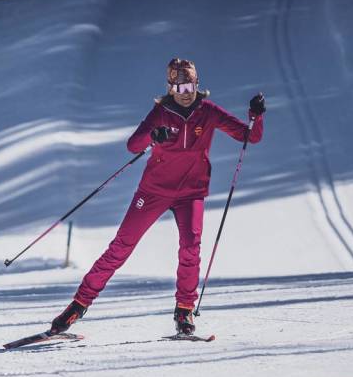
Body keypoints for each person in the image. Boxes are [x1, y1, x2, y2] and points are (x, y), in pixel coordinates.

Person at [51, 57, 265, 336]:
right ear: (170, 88)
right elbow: (133, 145)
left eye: (189, 86)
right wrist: (154, 135)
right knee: (120, 248)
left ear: (197, 85)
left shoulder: (208, 111)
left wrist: (256, 116)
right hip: (154, 191)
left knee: (191, 248)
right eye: (179, 87)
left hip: (191, 193)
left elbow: (249, 137)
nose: (185, 93)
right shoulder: (161, 112)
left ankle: (184, 312)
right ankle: (77, 306)